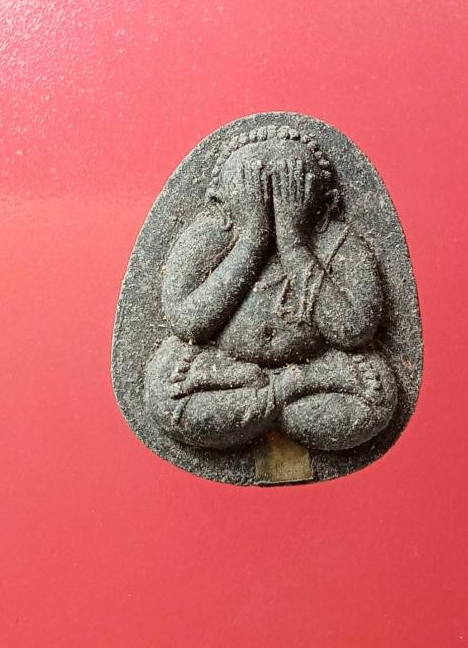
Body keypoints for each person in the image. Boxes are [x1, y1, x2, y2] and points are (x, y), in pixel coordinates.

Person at [145, 125, 397, 451]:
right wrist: (253, 237)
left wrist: (293, 242)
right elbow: (187, 322)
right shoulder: (209, 235)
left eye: (289, 184)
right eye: (253, 183)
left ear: (326, 202)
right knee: (166, 397)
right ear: (220, 201)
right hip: (225, 372)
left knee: (375, 398)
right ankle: (282, 395)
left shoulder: (337, 240)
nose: (271, 198)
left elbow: (354, 330)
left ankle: (273, 399)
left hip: (317, 366)